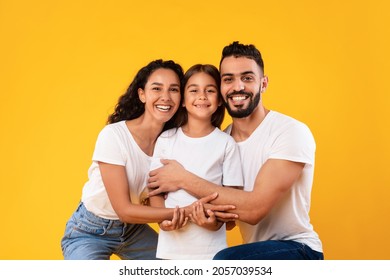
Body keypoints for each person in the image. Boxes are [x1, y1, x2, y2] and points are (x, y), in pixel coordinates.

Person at [147, 42, 324, 260]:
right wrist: (208, 219)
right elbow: (227, 216)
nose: (237, 86)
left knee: (224, 262)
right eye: (228, 79)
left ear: (264, 83)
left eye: (247, 78)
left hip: (298, 249)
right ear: (221, 89)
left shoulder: (290, 132)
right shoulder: (221, 142)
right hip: (254, 252)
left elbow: (253, 210)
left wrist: (182, 178)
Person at [60, 59, 230, 260]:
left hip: (133, 230)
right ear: (142, 94)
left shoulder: (169, 141)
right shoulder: (113, 136)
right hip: (90, 230)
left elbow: (158, 193)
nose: (165, 97)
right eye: (156, 89)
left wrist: (172, 219)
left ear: (181, 97)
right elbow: (124, 210)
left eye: (173, 90)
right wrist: (186, 212)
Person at [148, 64, 243, 259]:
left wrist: (214, 223)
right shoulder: (166, 139)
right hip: (169, 252)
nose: (202, 96)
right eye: (194, 90)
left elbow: (234, 201)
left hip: (212, 253)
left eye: (210, 90)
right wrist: (162, 219)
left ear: (219, 101)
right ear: (183, 100)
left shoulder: (226, 144)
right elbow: (154, 190)